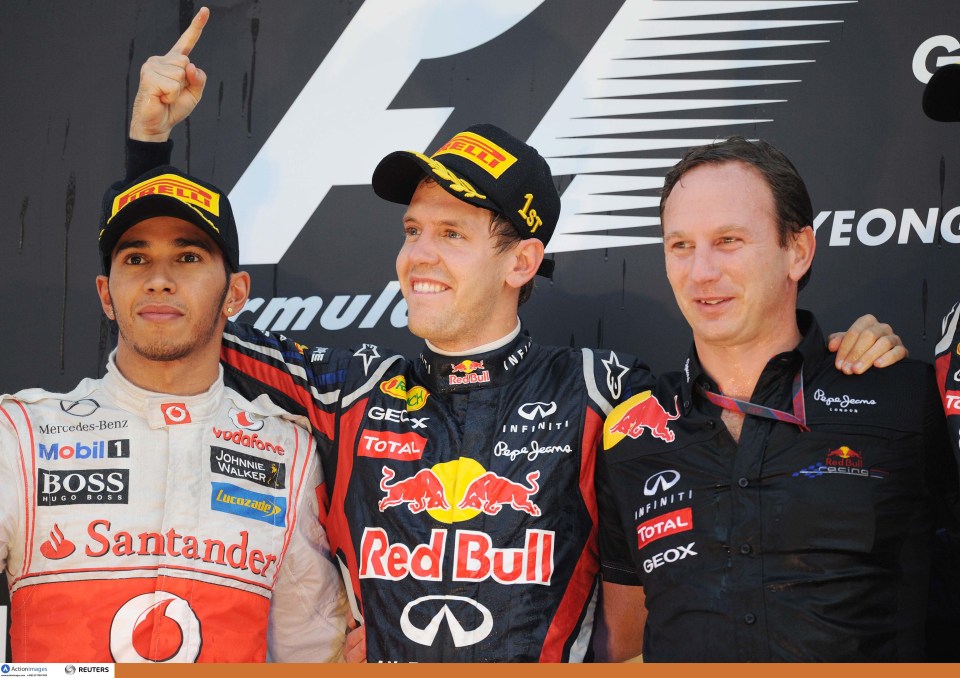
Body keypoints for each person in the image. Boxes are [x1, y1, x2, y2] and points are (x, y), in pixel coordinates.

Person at [122, 8, 909, 663]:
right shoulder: (349, 390)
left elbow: (744, 379)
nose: (417, 256)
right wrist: (147, 149)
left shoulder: (609, 393)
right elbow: (171, 315)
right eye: (412, 229)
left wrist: (843, 353)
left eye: (453, 235)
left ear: (522, 260)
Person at [596, 136, 956, 661]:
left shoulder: (904, 398)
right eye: (680, 245)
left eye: (729, 240)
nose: (701, 272)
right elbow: (622, 644)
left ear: (799, 251)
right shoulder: (632, 430)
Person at [0, 161, 348, 661]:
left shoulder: (285, 452)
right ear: (106, 294)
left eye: (187, 257)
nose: (159, 279)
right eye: (136, 259)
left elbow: (312, 652)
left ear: (236, 293)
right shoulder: (21, 435)